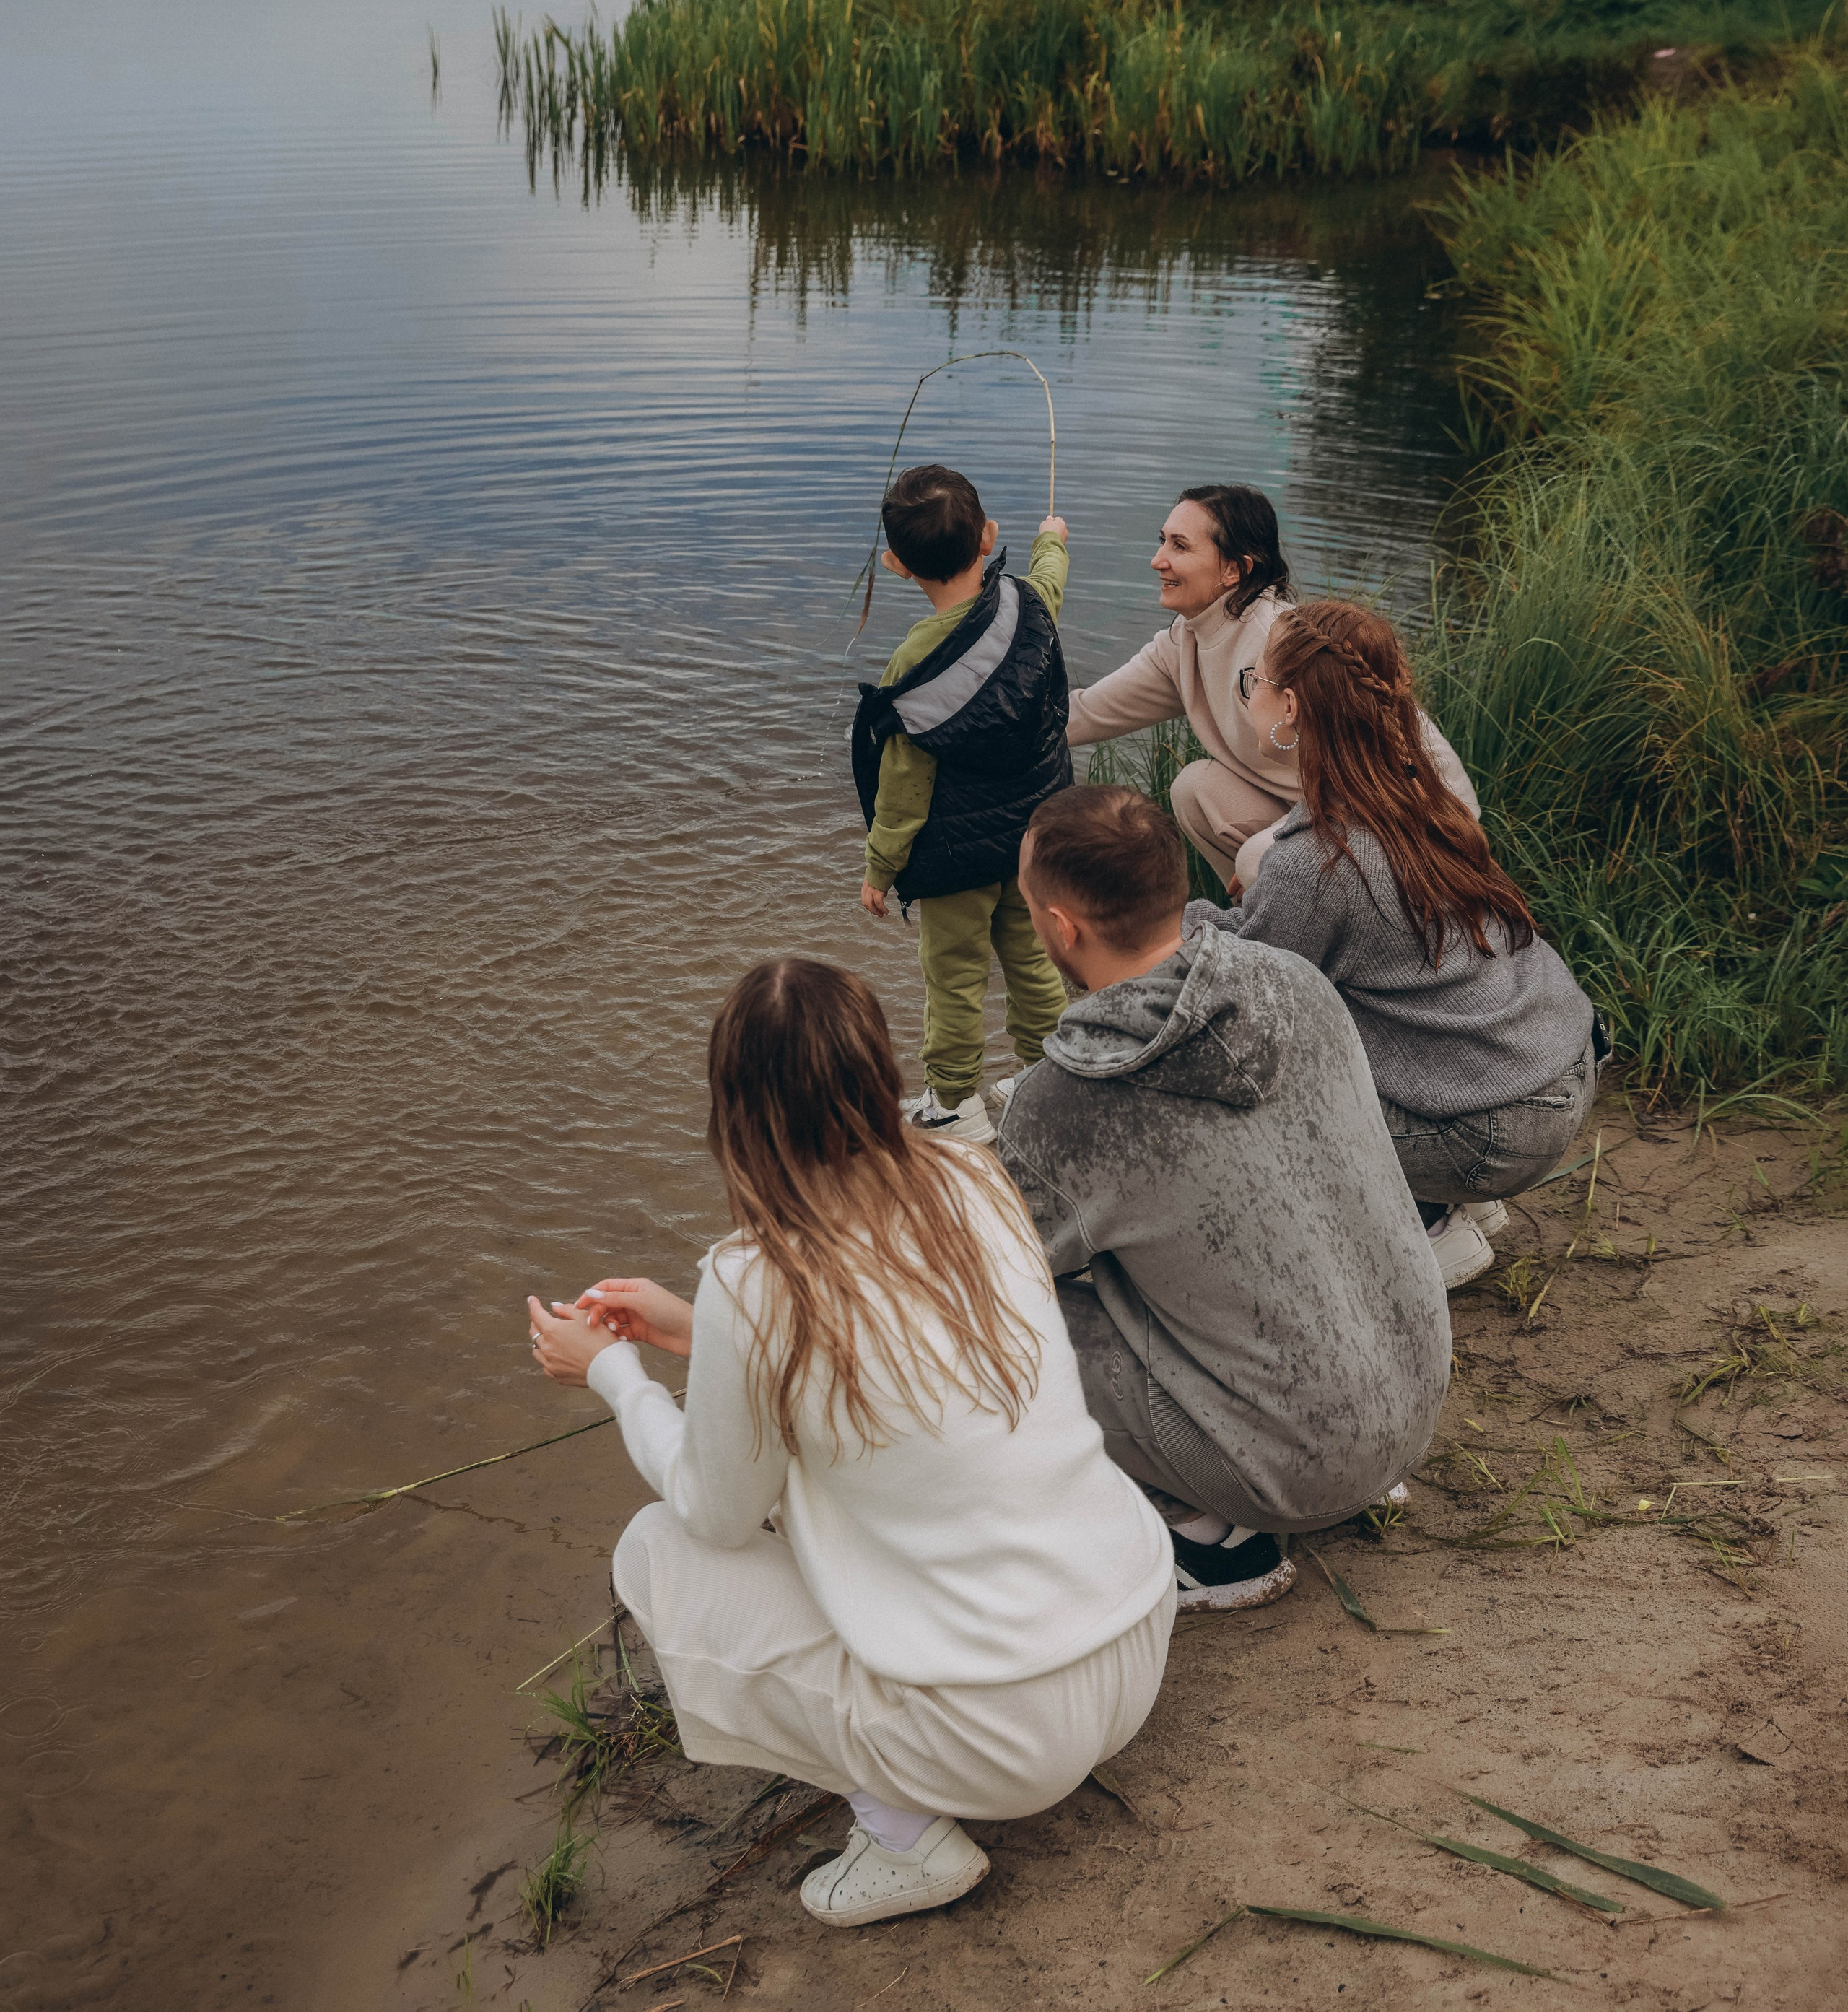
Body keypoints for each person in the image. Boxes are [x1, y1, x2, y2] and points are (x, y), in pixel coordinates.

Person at [526, 959, 1175, 1930]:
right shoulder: (971, 1177)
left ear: (735, 1107)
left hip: (1005, 1734)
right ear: (878, 1070)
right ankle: (942, 1765)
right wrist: (698, 1329)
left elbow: (713, 1506)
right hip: (1133, 1635)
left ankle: (905, 1836)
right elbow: (890, 1361)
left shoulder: (756, 1275)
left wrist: (616, 1375)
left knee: (661, 1548)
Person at [998, 783, 1452, 1613]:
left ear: (1060, 928)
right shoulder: (1293, 984)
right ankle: (1334, 1452)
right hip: (1414, 1400)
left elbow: (997, 1268)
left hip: (1294, 1470)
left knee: (1001, 1310)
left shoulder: (1063, 1103)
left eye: (1029, 907)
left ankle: (1210, 1538)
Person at [1200, 601, 1602, 1292]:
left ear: (1290, 705)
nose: (1249, 696)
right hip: (1565, 1067)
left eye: (1254, 681)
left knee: (1257, 1076)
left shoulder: (1322, 861)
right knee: (1363, 1003)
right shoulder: (1420, 792)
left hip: (1500, 1128)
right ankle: (1458, 1194)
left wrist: (1166, 926)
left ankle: (1429, 1227)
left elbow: (1242, 993)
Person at [1065, 484, 1478, 893]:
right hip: (1321, 807)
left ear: (1234, 570)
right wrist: (1005, 722)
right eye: (1163, 541)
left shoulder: (1283, 645)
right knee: (1195, 789)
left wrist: (1272, 849)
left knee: (1256, 858)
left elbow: (1370, 771)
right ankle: (1267, 927)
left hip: (1410, 817)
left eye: (1180, 546)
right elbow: (1085, 715)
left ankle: (1292, 926)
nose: (1158, 560)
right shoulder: (1182, 641)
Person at [852, 463, 1073, 1146]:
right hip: (1034, 837)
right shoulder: (1029, 603)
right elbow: (1051, 578)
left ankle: (956, 1104)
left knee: (952, 980)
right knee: (1034, 960)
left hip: (953, 858)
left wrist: (879, 868)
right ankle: (1051, 1077)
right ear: (988, 536)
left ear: (894, 564)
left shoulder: (911, 665)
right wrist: (1052, 540)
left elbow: (903, 789)